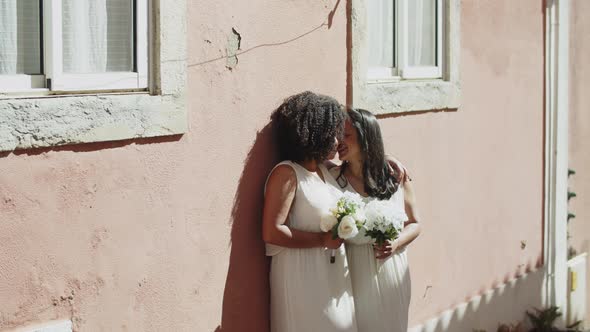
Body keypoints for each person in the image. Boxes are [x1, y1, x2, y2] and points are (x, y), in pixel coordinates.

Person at [262, 91, 358, 332]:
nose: (338, 141)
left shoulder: (324, 170)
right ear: (314, 134)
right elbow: (272, 232)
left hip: (333, 275)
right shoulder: (286, 173)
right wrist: (322, 240)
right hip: (301, 275)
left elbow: (362, 162)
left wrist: (391, 159)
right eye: (332, 133)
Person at [326, 108, 421, 332]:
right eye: (339, 134)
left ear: (366, 139)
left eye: (347, 135)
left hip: (392, 270)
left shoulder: (396, 177)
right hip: (353, 273)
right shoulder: (332, 179)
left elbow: (415, 223)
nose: (339, 140)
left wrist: (396, 242)